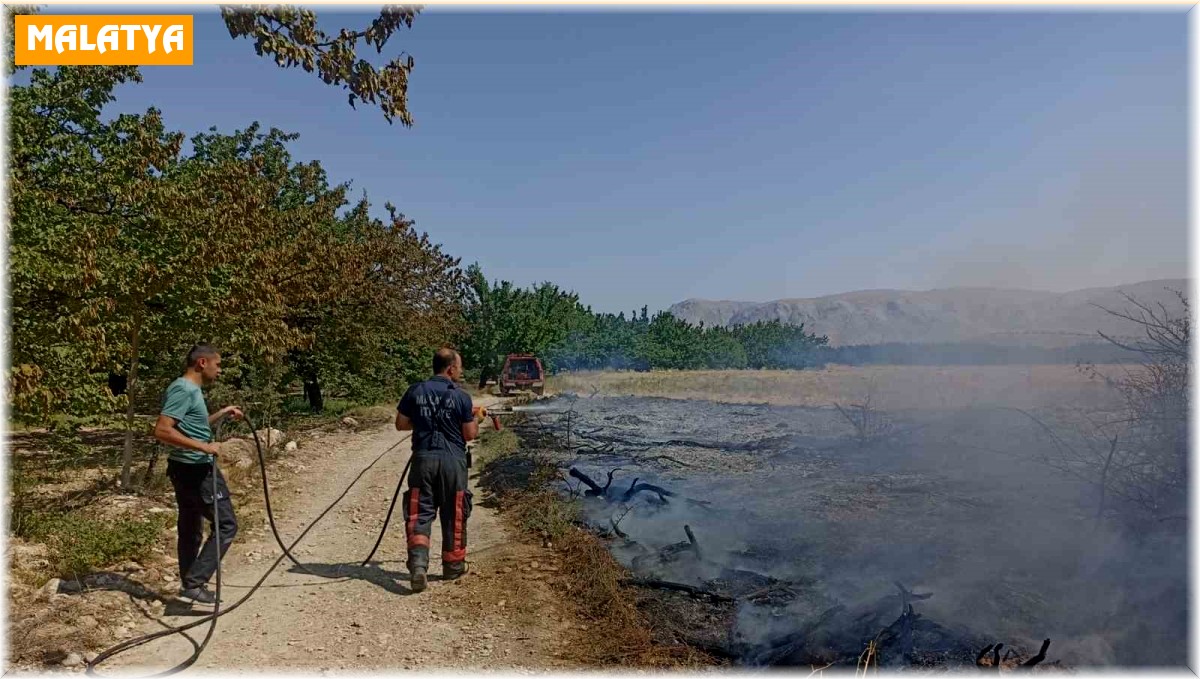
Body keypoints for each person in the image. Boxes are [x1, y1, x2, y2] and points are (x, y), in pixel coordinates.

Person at [152, 344, 243, 607]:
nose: (220, 369)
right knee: (226, 525)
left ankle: (190, 585)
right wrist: (206, 447)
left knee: (191, 527)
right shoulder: (184, 389)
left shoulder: (191, 390)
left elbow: (195, 427)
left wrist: (223, 413)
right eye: (218, 364)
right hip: (197, 469)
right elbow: (162, 430)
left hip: (185, 468)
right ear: (202, 363)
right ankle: (194, 583)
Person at [395, 347, 482, 592]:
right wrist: (478, 419)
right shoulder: (462, 397)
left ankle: (419, 566)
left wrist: (422, 420)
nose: (461, 371)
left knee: (419, 513)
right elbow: (469, 434)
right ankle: (453, 568)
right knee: (454, 513)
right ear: (450, 368)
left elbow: (401, 424)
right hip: (453, 462)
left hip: (423, 460)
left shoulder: (416, 390)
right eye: (460, 367)